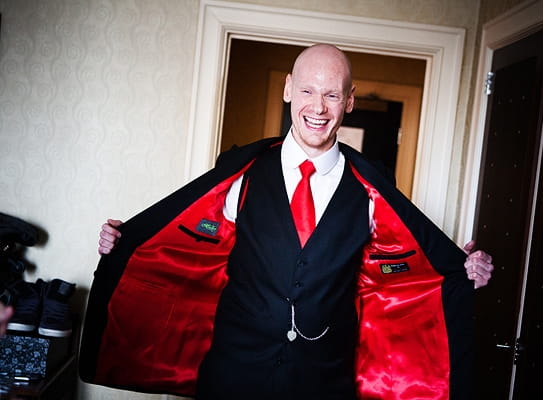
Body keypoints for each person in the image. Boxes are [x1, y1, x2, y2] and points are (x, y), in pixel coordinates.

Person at [80, 44, 493, 400]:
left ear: (349, 101)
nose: (318, 107)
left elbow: (400, 275)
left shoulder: (374, 187)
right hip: (232, 378)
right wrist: (124, 243)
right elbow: (182, 248)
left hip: (324, 384)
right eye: (308, 91)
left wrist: (459, 269)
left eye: (332, 95)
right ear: (288, 90)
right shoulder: (238, 172)